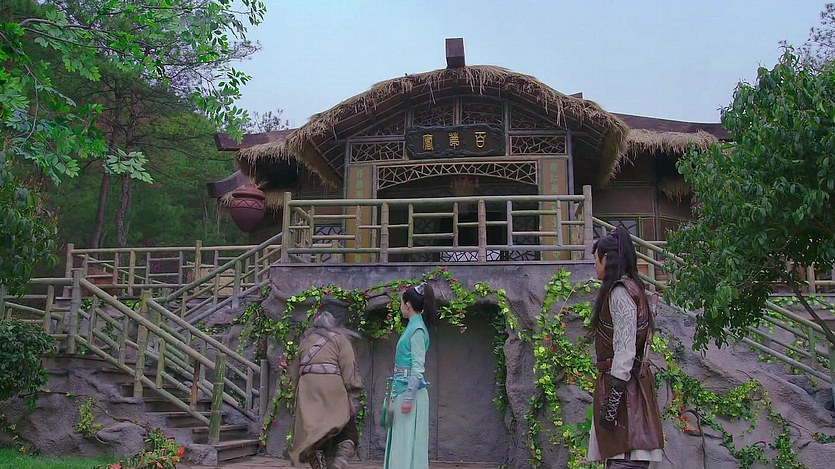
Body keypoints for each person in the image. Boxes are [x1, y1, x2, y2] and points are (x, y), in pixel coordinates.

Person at [587, 226, 664, 469]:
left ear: (606, 259)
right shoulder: (630, 288)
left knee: (626, 455)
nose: (594, 265)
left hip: (625, 392)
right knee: (622, 456)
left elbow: (625, 350)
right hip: (626, 387)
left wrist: (612, 405)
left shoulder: (620, 292)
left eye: (596, 259)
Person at [288, 311, 364, 469]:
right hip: (332, 385)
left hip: (308, 388)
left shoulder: (305, 342)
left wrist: (297, 391)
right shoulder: (340, 339)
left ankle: (315, 454)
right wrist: (352, 385)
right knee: (343, 421)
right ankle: (343, 452)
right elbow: (348, 366)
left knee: (312, 428)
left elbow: (294, 372)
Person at [383, 281, 435, 469]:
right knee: (401, 442)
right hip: (402, 390)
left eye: (401, 303)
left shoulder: (417, 330)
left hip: (409, 394)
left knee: (405, 444)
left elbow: (418, 367)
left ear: (407, 305)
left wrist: (409, 398)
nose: (400, 306)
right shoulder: (413, 327)